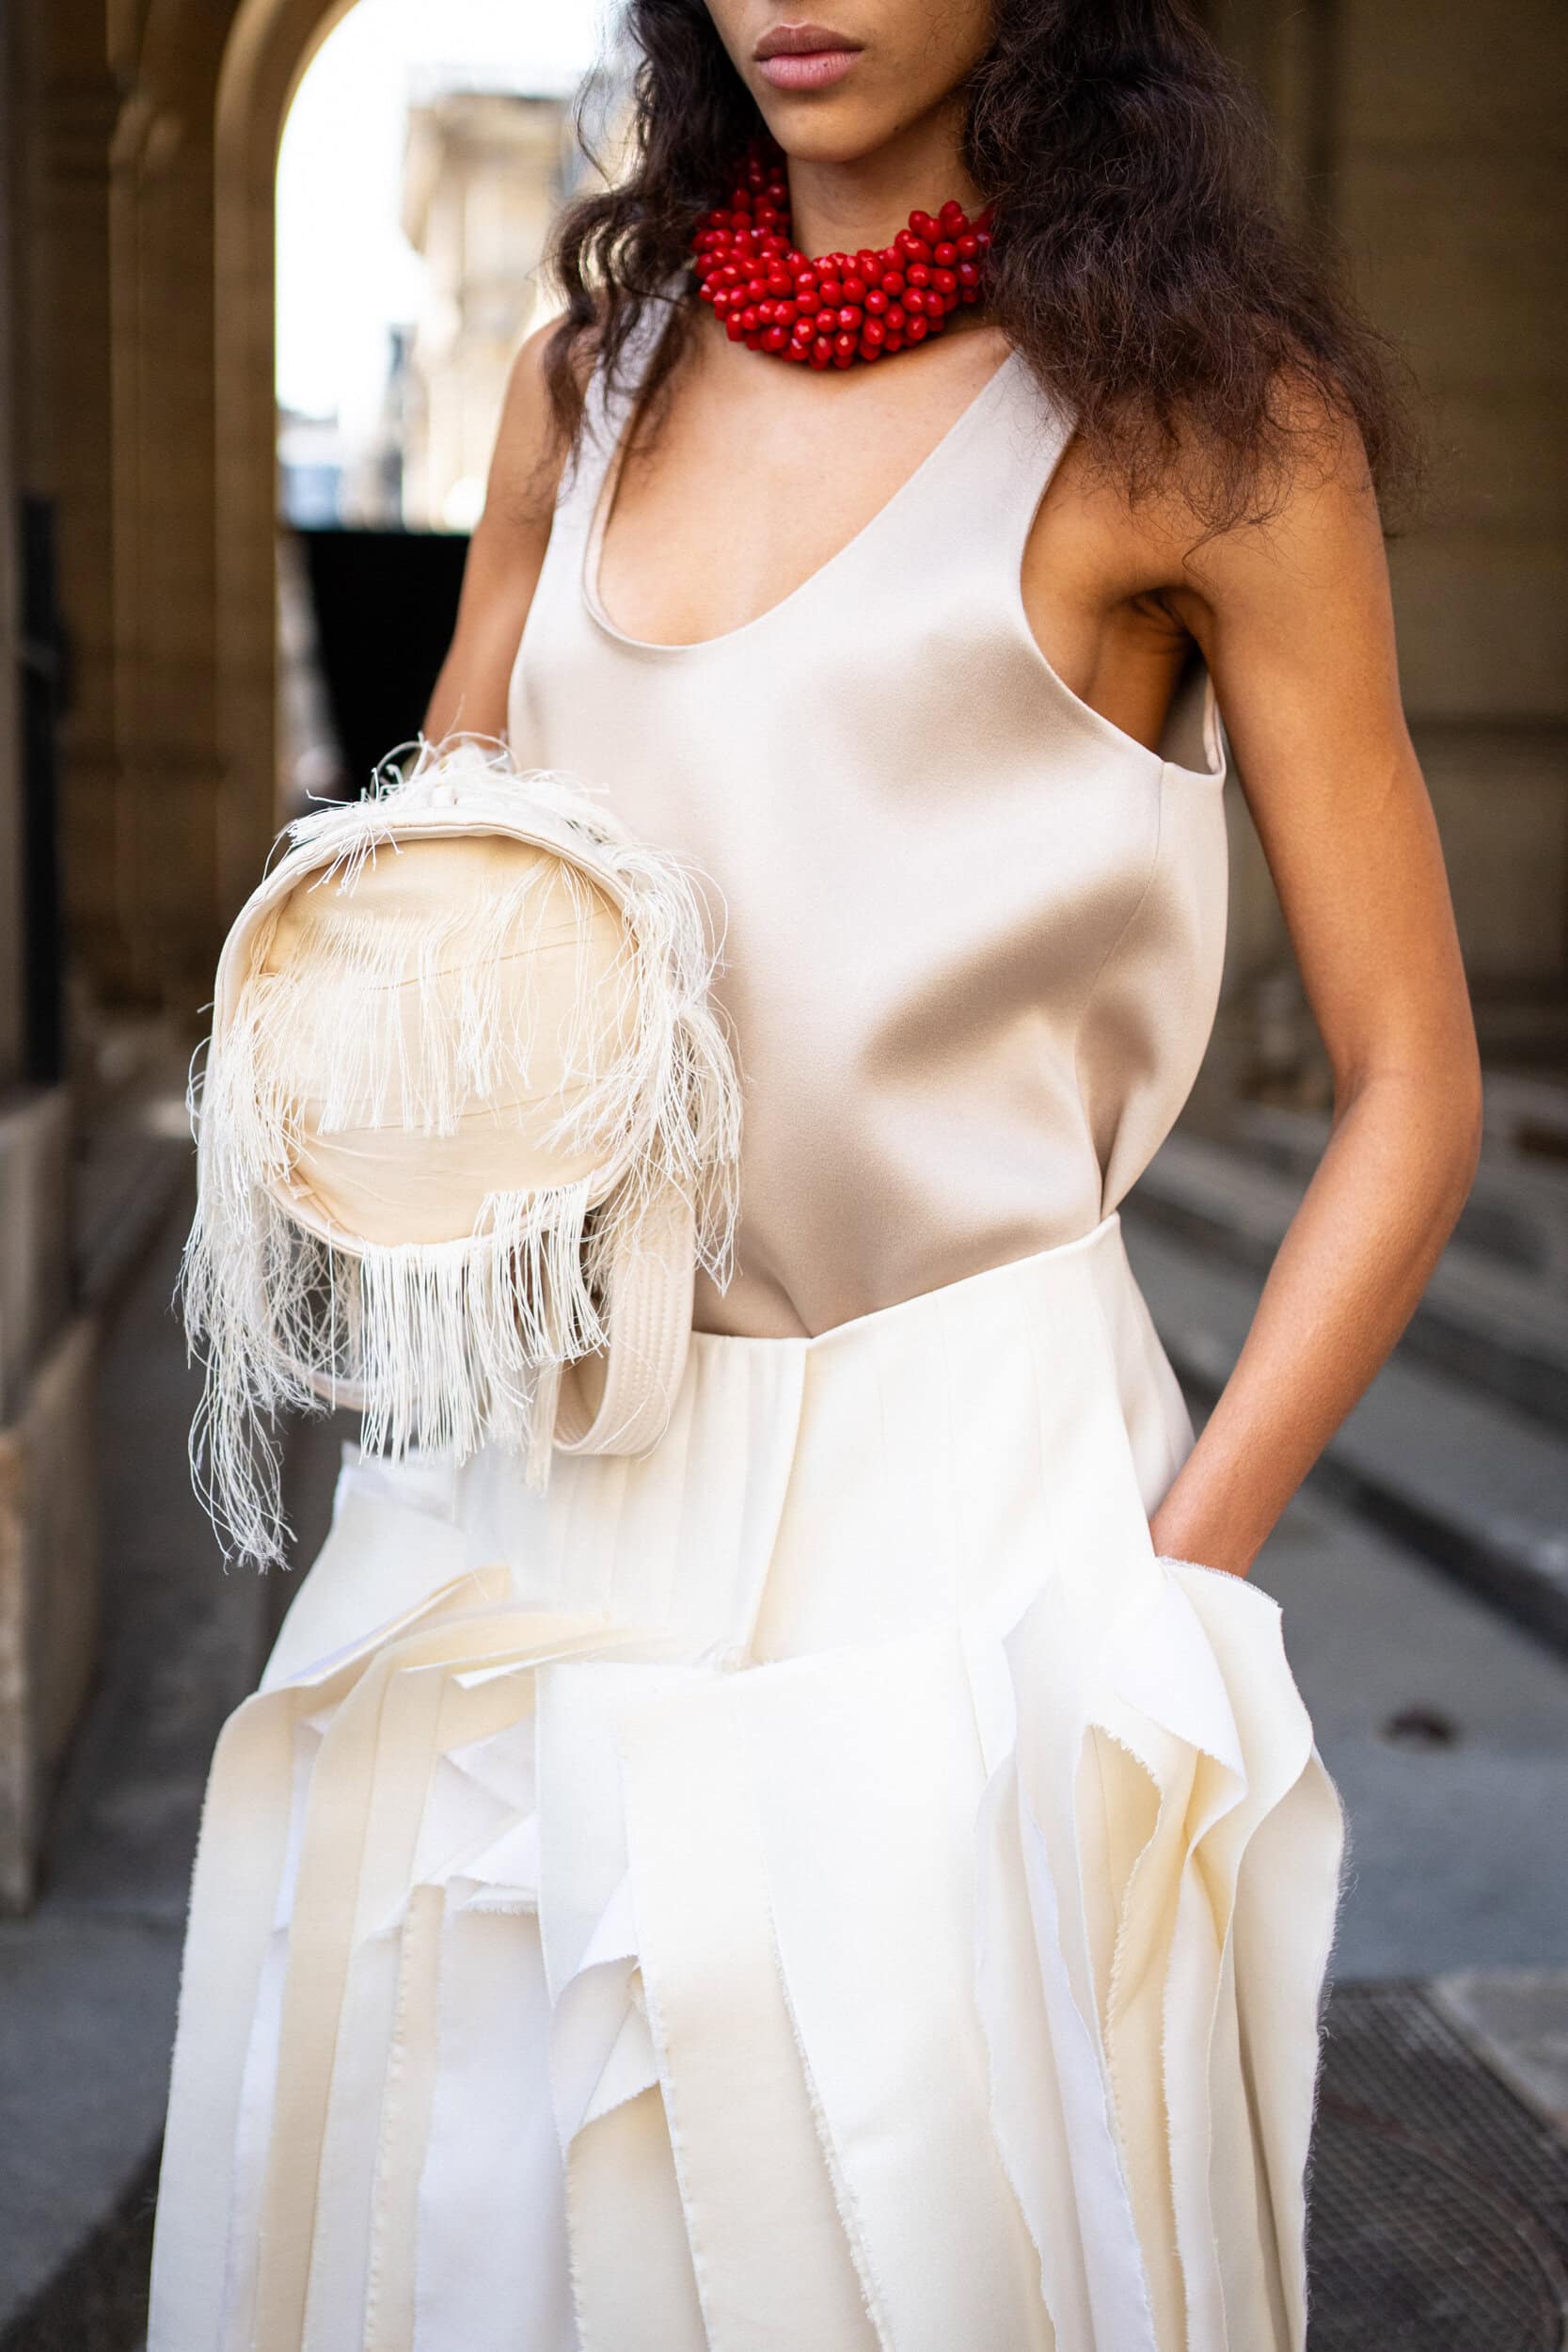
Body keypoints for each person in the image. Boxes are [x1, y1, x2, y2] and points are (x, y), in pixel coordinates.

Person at [150, 4, 1481, 2347]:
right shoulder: (584, 384)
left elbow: (1411, 1081)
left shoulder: (1208, 422)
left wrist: (1171, 1585)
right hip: (536, 1505)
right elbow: (438, 912)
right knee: (466, 2248)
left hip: (982, 1529)